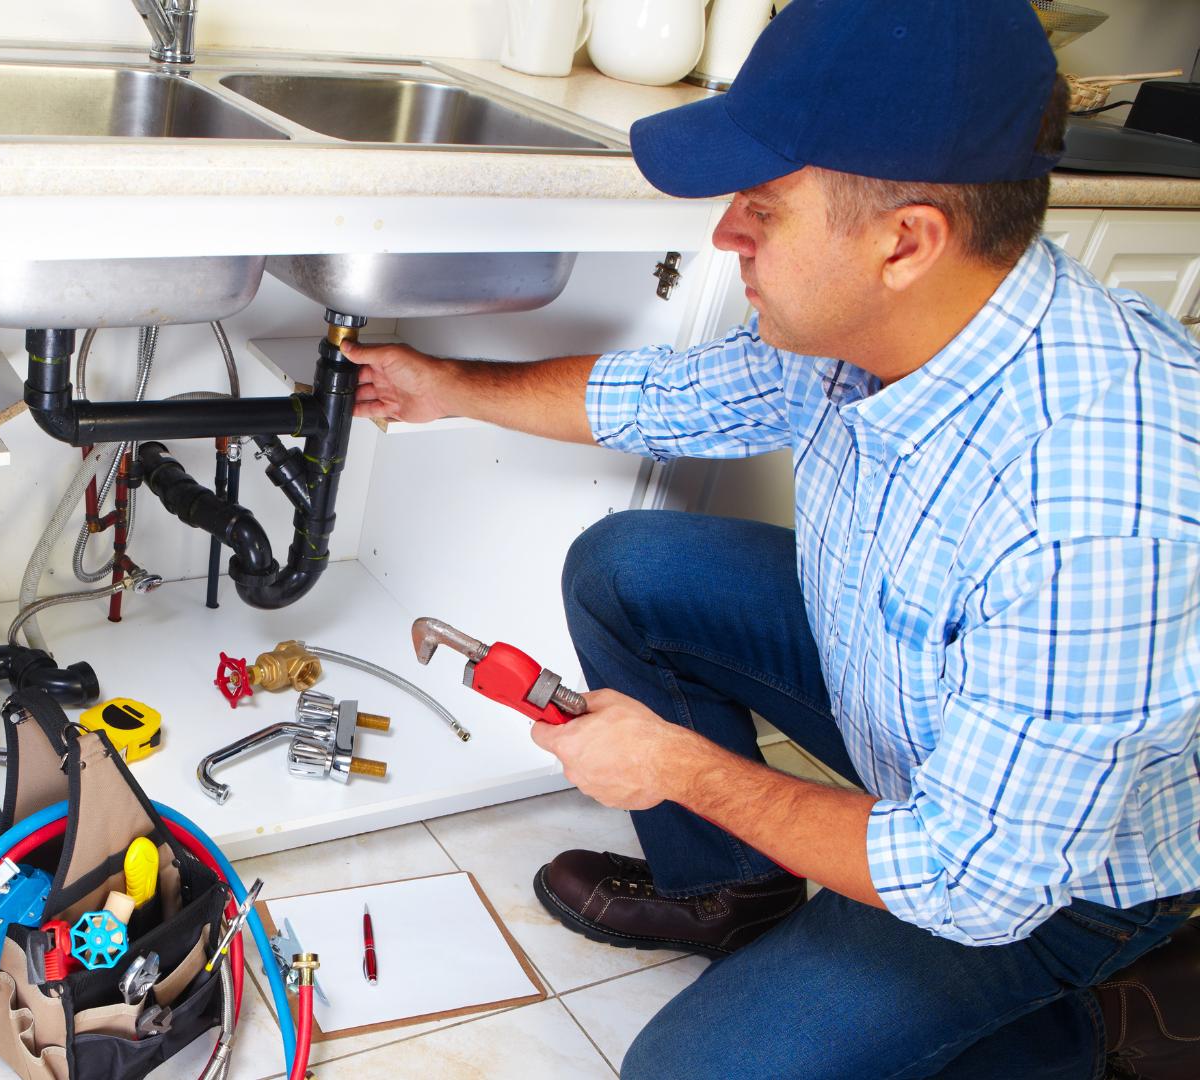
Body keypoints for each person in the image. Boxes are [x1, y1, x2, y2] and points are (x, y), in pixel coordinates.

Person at [342, 2, 1200, 1077]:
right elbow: (668, 397)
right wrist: (449, 387)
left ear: (905, 240)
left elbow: (977, 879)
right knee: (629, 568)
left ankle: (1098, 1031)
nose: (725, 234)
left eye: (763, 206)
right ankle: (732, 897)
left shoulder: (1098, 509)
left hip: (1051, 883)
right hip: (912, 726)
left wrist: (681, 768)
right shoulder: (883, 321)